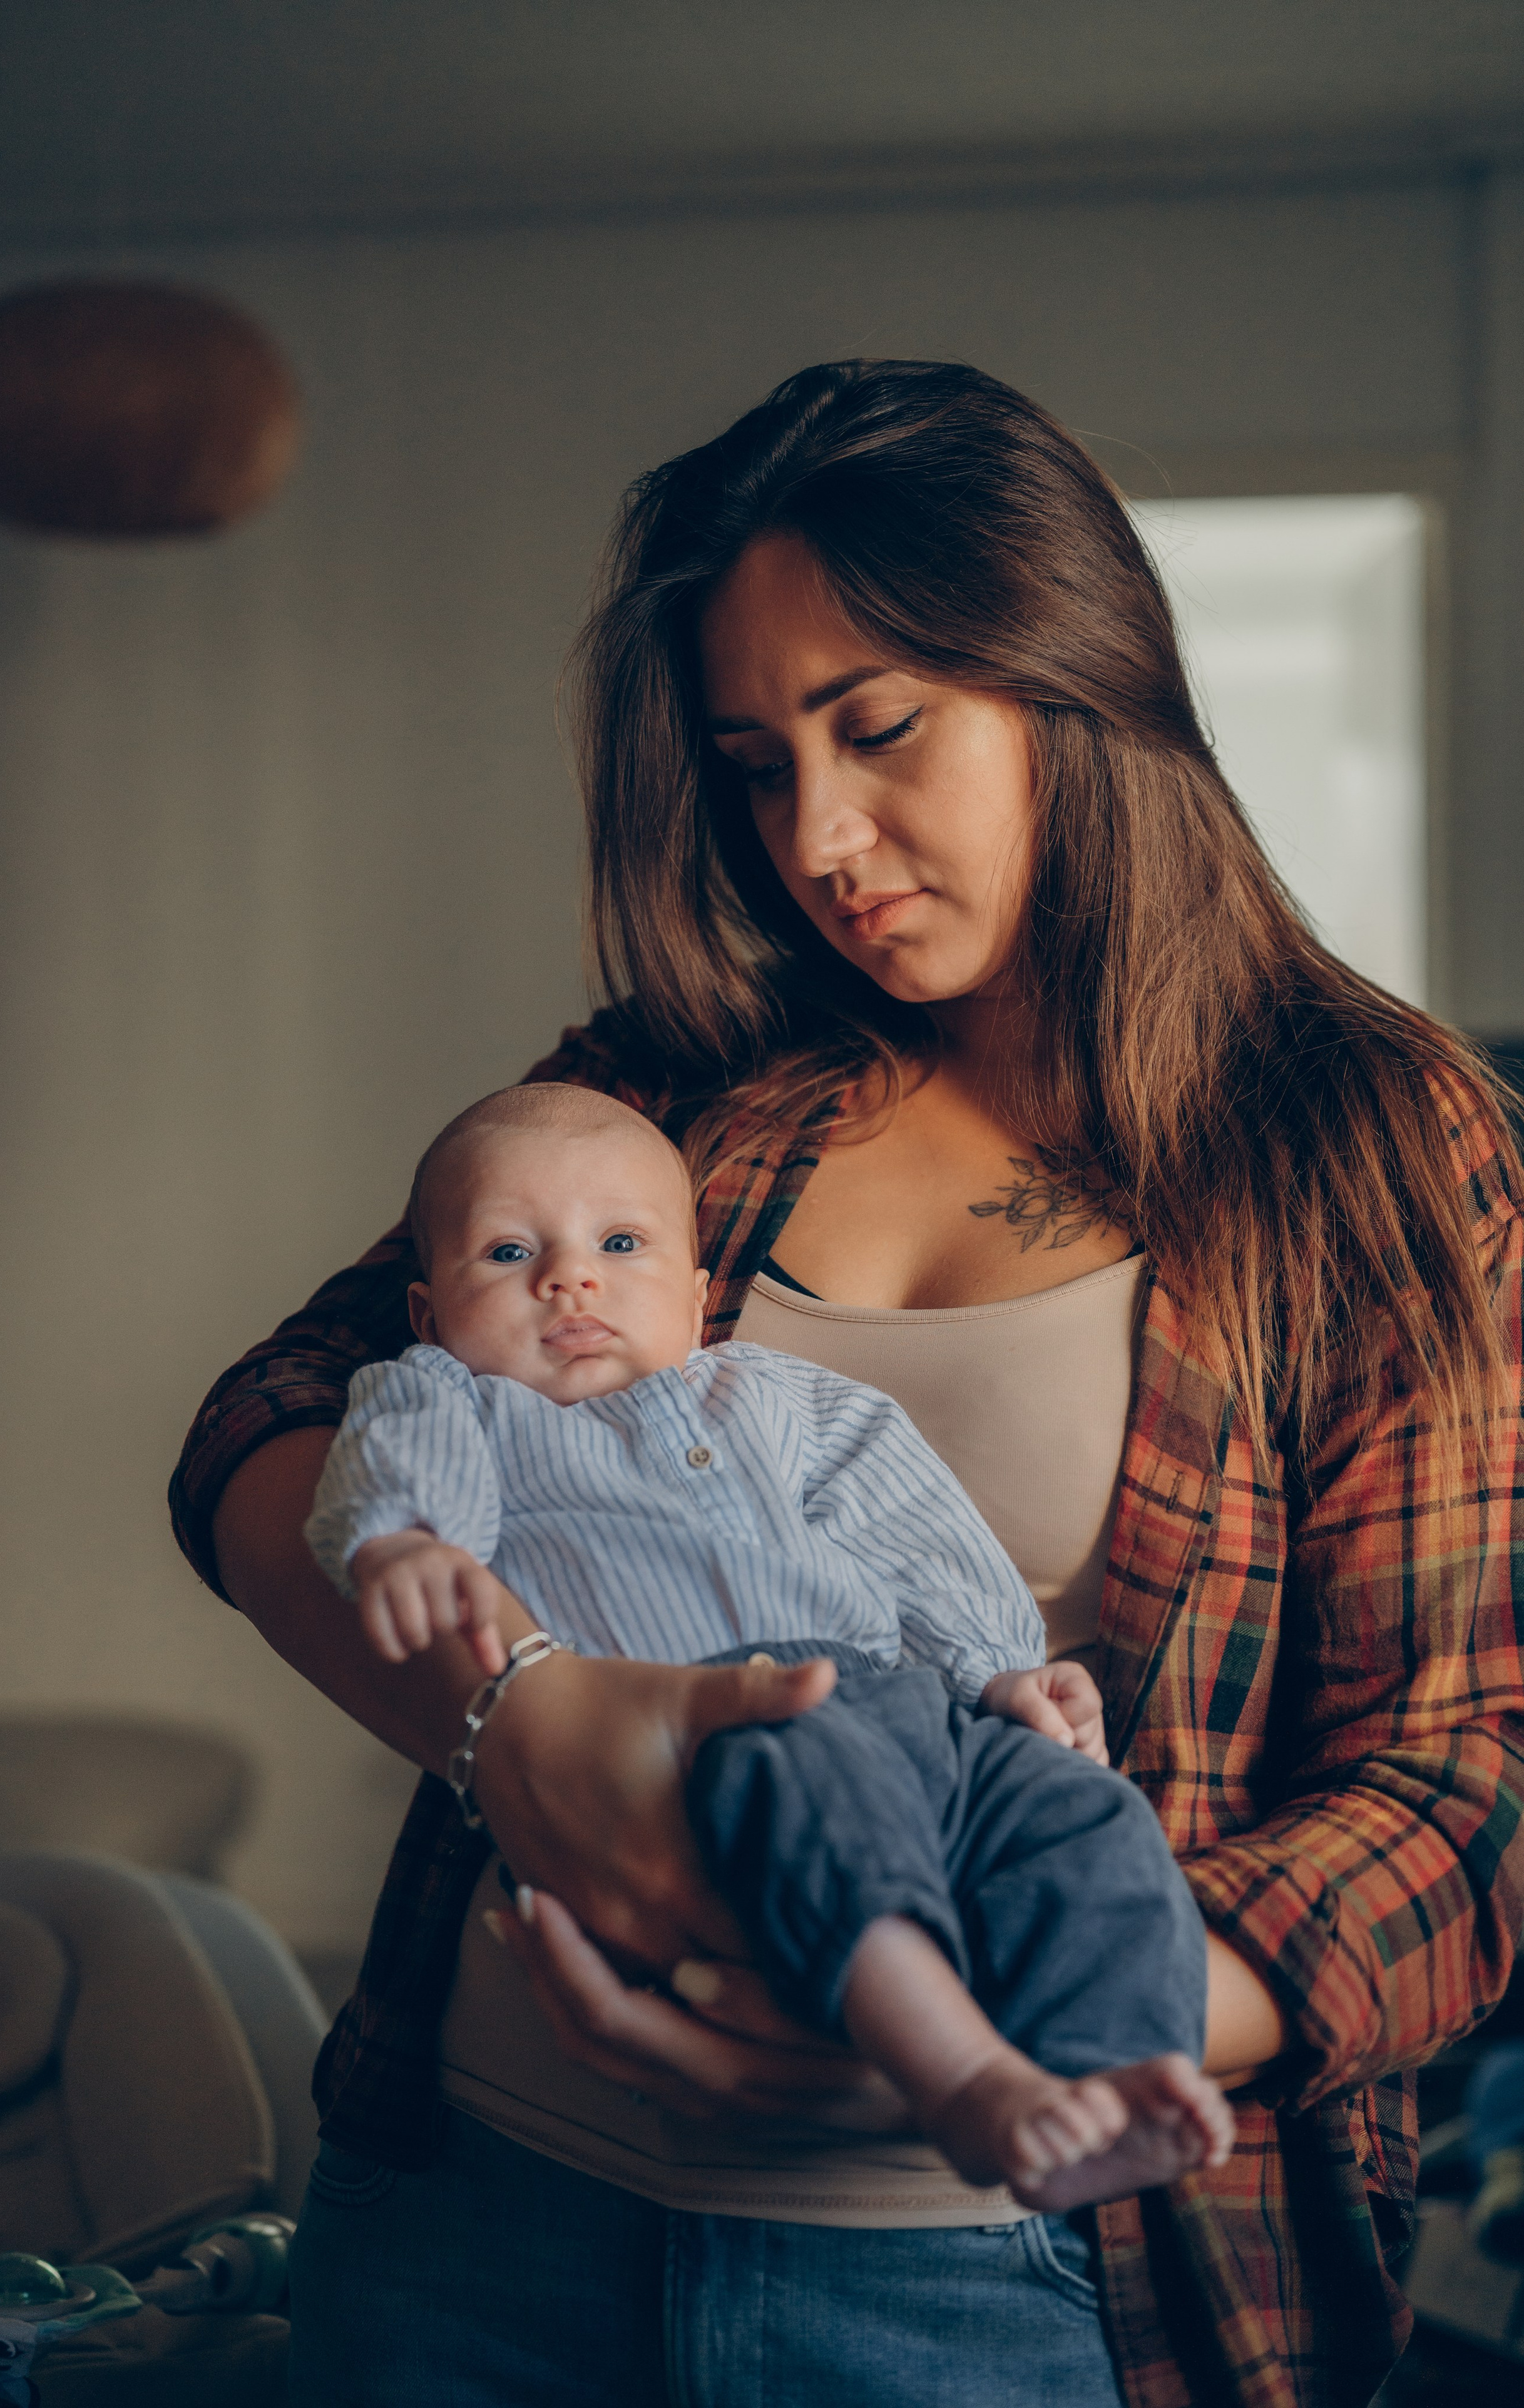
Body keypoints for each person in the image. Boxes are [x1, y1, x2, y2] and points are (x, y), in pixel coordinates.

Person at [172, 360, 1524, 2408]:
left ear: (1076, 668)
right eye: (750, 760)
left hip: (1004, 2270)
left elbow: (1471, 1783)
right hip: (472, 2206)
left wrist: (1025, 2004)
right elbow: (267, 1419)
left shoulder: (1375, 1133)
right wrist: (513, 1721)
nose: (817, 837)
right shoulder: (680, 1080)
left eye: (879, 726)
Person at [304, 1081, 1233, 2208]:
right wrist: (404, 1544)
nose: (569, 1278)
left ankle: (1118, 2065)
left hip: (897, 1700)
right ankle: (971, 2079)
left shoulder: (770, 1396)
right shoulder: (455, 1397)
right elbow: (394, 1457)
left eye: (620, 1242)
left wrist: (999, 1670)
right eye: (508, 1252)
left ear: (698, 1299)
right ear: (428, 1311)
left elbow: (908, 1524)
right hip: (708, 1729)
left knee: (1084, 1812)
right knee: (838, 1829)